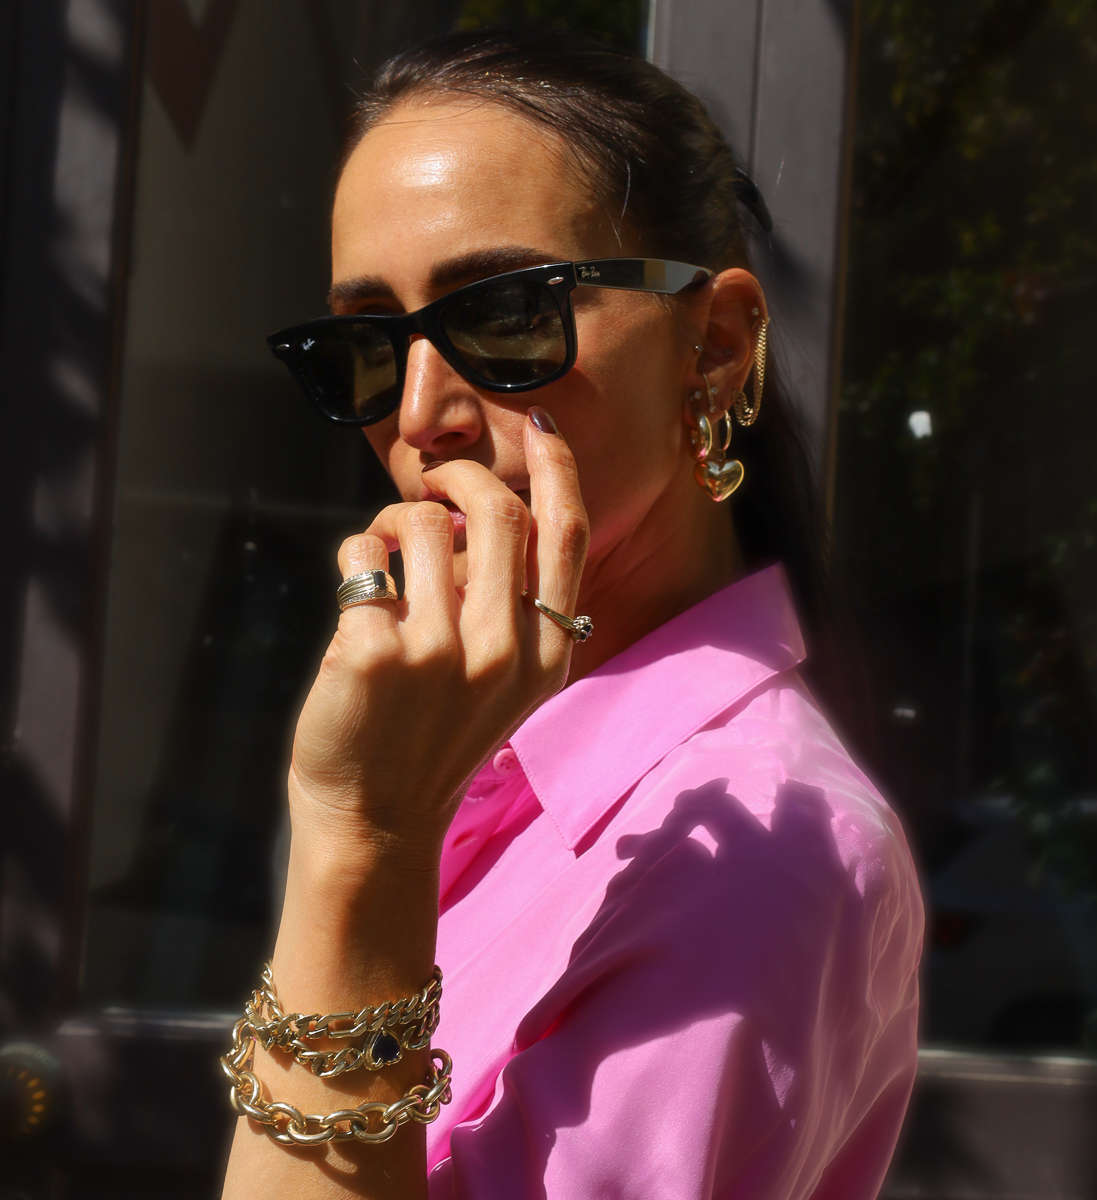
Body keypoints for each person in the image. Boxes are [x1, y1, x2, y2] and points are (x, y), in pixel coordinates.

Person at [221, 26, 922, 1200]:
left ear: (714, 347)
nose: (421, 415)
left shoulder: (764, 854)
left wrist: (361, 838)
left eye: (506, 318)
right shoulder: (467, 746)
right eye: (368, 345)